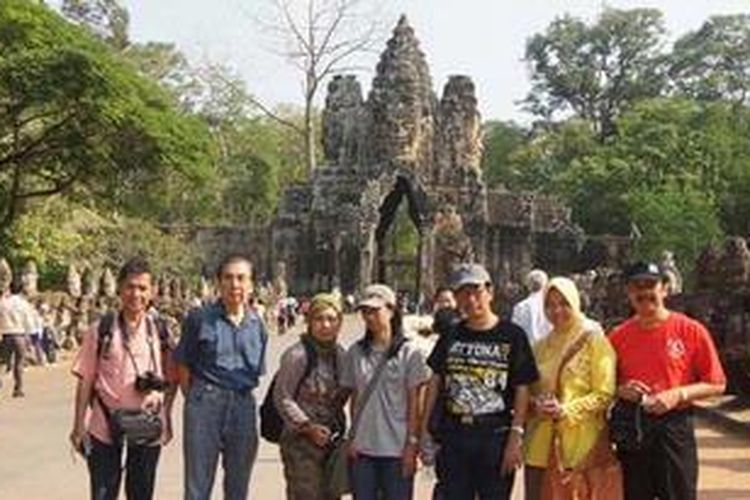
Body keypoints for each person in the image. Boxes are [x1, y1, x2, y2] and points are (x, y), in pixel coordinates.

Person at [610, 262, 726, 500]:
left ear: (664, 289)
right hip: (634, 427)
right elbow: (603, 385)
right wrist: (620, 390)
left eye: (650, 285)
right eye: (637, 287)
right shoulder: (617, 337)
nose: (644, 292)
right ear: (628, 292)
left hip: (674, 427)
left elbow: (716, 383)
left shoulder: (690, 330)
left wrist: (678, 394)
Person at [423, 263, 539, 500]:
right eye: (463, 293)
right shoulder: (451, 335)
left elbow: (522, 387)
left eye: (476, 291)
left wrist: (515, 437)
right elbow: (435, 381)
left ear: (490, 292)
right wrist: (425, 429)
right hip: (455, 434)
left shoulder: (512, 335)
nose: (470, 299)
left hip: (495, 435)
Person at [70, 257, 174, 500]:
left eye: (142, 288)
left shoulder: (160, 331)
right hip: (105, 424)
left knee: (141, 493)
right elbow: (85, 380)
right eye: (130, 287)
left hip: (147, 425)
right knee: (103, 493)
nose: (135, 294)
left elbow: (172, 378)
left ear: (152, 291)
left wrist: (167, 415)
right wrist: (78, 425)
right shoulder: (101, 330)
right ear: (119, 289)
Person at [174, 254, 268, 500]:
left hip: (243, 405)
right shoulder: (199, 319)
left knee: (238, 485)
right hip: (205, 403)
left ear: (251, 284)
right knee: (198, 486)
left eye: (241, 278)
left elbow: (257, 369)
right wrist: (196, 398)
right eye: (228, 278)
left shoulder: (257, 324)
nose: (235, 284)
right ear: (218, 282)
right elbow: (183, 364)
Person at [523, 277, 619, 500]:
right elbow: (526, 391)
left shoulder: (594, 342)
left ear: (575, 303)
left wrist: (566, 410)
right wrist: (535, 405)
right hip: (539, 446)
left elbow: (604, 393)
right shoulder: (539, 348)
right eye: (550, 305)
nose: (557, 310)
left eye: (564, 303)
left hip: (581, 445)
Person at [342, 284, 431, 500]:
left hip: (396, 450)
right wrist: (352, 437)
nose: (369, 317)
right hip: (363, 450)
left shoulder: (410, 353)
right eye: (365, 312)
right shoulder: (356, 352)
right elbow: (355, 398)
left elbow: (415, 403)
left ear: (391, 310)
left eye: (375, 311)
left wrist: (412, 444)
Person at [274, 293, 348, 500]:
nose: (325, 325)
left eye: (331, 319)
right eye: (319, 319)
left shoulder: (341, 356)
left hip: (330, 441)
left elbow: (345, 393)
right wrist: (308, 427)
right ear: (309, 322)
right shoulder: (297, 355)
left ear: (339, 323)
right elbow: (283, 397)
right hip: (300, 442)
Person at [0, 258, 37, 397]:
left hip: (6, 335)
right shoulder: (22, 303)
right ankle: (18, 388)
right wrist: (31, 335)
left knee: (4, 362)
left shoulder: (3, 303)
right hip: (19, 335)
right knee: (19, 362)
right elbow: (28, 320)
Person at [511, 269, 552, 345]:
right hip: (548, 348)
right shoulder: (551, 305)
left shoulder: (520, 307)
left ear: (528, 286)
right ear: (546, 285)